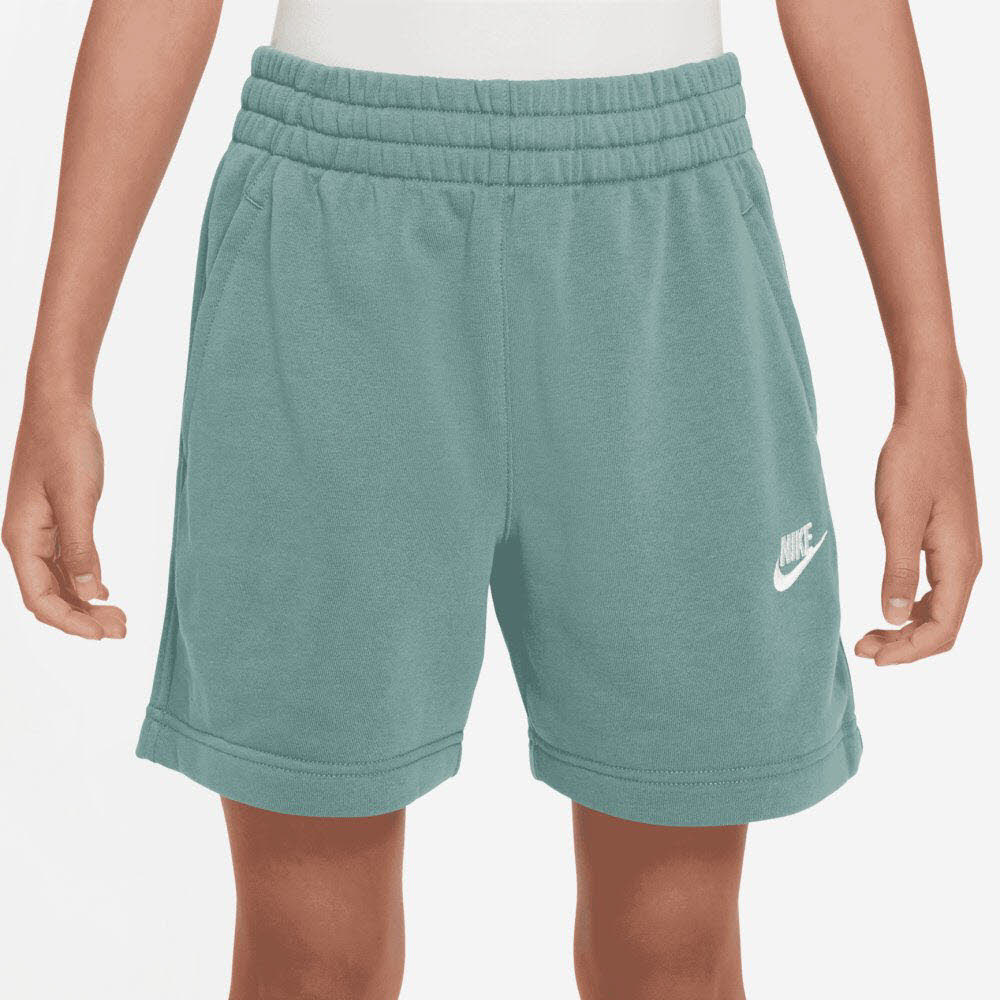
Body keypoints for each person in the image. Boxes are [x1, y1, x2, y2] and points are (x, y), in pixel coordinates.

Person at [2, 1, 982, 998]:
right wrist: (58, 377)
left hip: (660, 243)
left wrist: (930, 382)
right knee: (310, 955)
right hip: (336, 239)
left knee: (671, 950)